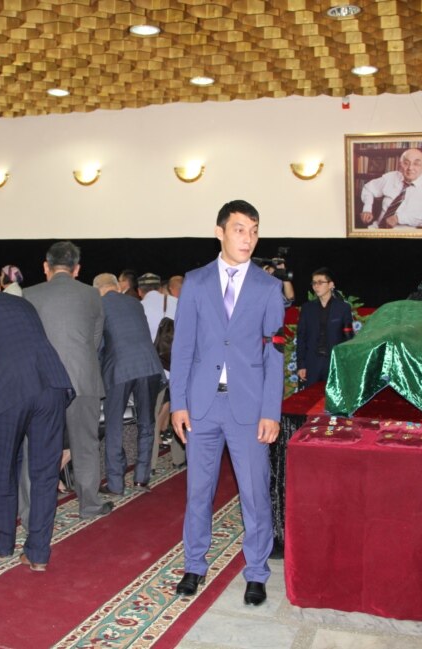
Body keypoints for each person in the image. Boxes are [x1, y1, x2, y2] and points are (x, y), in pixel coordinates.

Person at [170, 199, 285, 607]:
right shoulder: (196, 282)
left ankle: (256, 571)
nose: (248, 238)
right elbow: (182, 348)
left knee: (254, 493)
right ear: (219, 232)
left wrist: (271, 411)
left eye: (253, 231)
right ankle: (194, 565)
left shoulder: (269, 288)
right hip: (201, 406)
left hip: (248, 408)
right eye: (239, 230)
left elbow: (275, 353)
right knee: (198, 492)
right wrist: (178, 402)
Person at [0, 266, 73, 570]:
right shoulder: (22, 304)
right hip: (51, 387)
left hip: (7, 395)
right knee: (45, 474)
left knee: (2, 469)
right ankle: (38, 554)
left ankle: (3, 543)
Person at [25, 242, 112, 519]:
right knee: (85, 444)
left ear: (46, 266)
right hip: (83, 379)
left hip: (43, 383)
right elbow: (95, 340)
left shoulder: (29, 295)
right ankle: (89, 505)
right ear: (77, 269)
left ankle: (33, 511)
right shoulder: (92, 294)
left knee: (38, 447)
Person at [93, 273, 164, 494]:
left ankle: (115, 483)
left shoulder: (98, 305)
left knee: (114, 425)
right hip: (149, 366)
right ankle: (141, 478)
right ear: (116, 286)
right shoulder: (135, 303)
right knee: (146, 422)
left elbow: (99, 344)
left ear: (97, 290)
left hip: (119, 369)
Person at [295, 268, 354, 387]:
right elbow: (301, 338)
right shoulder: (307, 308)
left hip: (334, 362)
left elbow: (348, 338)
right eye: (314, 283)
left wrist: (346, 363)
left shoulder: (343, 308)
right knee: (310, 396)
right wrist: (301, 365)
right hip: (312, 363)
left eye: (320, 282)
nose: (316, 286)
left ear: (331, 285)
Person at [360, 148, 422, 229]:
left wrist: (398, 218)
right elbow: (368, 188)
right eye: (406, 163)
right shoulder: (391, 177)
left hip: (405, 233)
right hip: (377, 228)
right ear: (400, 164)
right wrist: (367, 208)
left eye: (416, 164)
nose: (410, 168)